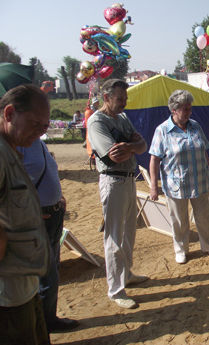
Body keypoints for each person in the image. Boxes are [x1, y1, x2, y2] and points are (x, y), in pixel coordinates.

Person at [87, 79, 148, 309]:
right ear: (106, 97)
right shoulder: (96, 121)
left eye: (125, 98)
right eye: (120, 98)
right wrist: (133, 145)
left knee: (129, 232)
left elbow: (142, 146)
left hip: (129, 179)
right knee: (114, 237)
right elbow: (114, 154)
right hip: (113, 181)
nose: (124, 102)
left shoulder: (122, 117)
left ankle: (126, 275)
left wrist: (132, 146)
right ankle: (116, 289)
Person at [0, 84, 51, 344]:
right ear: (9, 113)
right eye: (36, 123)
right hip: (7, 293)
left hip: (23, 286)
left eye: (45, 125)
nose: (41, 131)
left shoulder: (10, 150)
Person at [149, 89, 209, 264]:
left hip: (200, 180)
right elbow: (154, 159)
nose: (188, 112)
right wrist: (153, 186)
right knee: (179, 220)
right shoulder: (162, 130)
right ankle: (181, 250)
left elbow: (203, 149)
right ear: (174, 110)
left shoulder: (195, 125)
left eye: (190, 108)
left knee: (204, 217)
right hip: (176, 184)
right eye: (184, 109)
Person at [18, 139, 79, 334]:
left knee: (53, 268)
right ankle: (42, 325)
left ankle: (48, 320)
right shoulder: (15, 146)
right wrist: (27, 209)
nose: (44, 124)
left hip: (53, 214)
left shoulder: (39, 143)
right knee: (47, 276)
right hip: (37, 218)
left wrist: (58, 199)